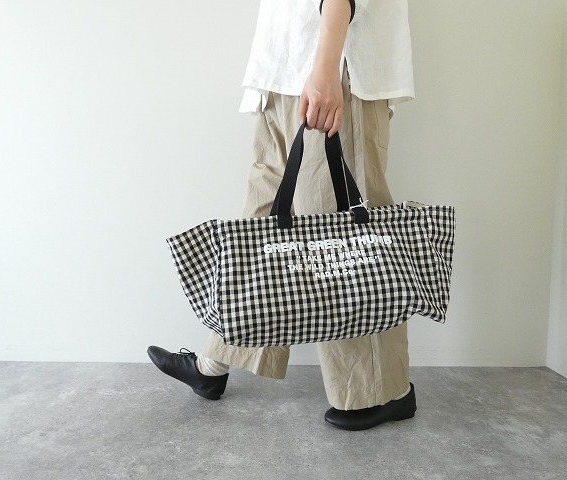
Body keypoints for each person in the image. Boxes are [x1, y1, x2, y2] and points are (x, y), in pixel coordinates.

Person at [148, 0, 416, 431]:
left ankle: (380, 392)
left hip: (332, 69)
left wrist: (326, 70)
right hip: (284, 72)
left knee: (342, 244)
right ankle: (214, 363)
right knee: (260, 229)